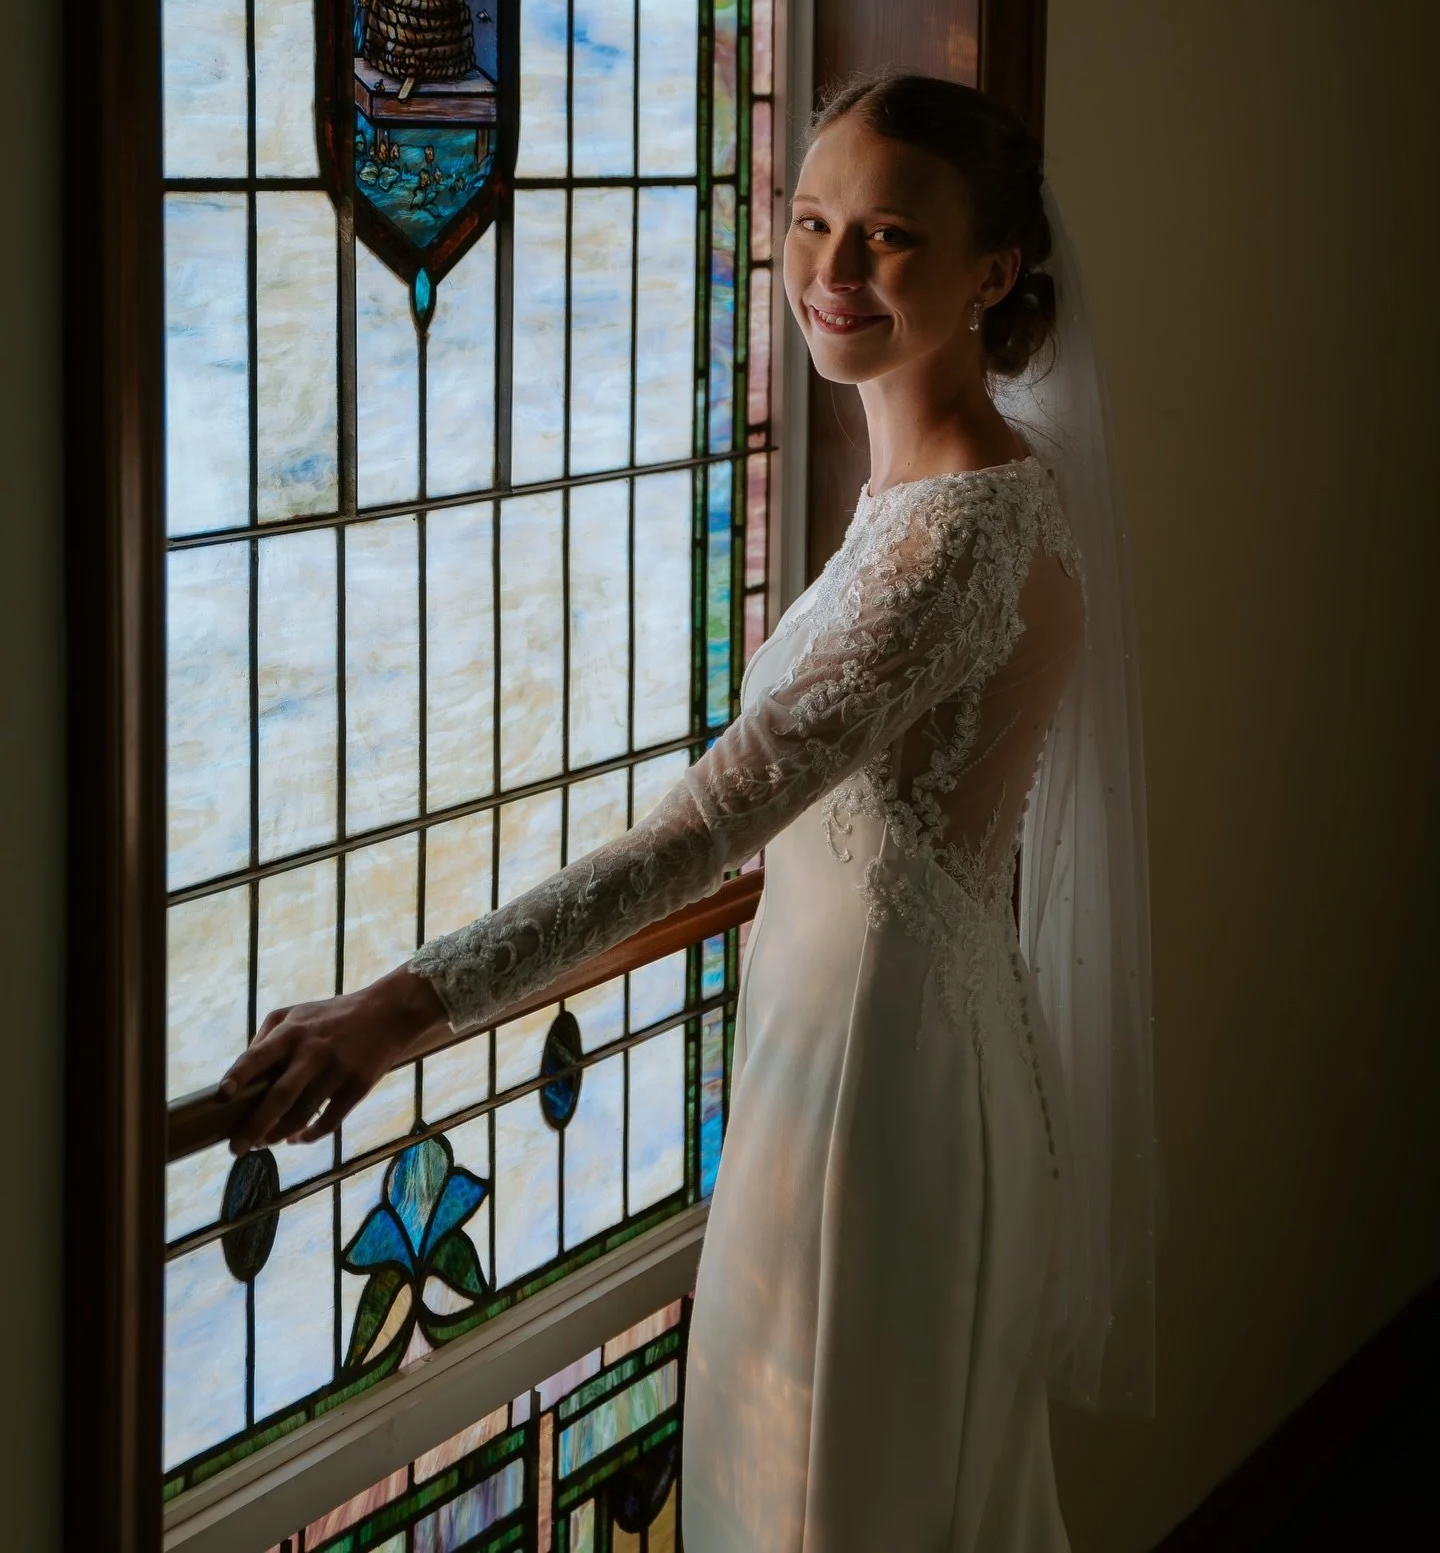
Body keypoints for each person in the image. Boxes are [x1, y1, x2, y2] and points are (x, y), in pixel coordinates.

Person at [223, 74, 1124, 1550]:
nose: (830, 271)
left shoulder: (953, 534)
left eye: (888, 237)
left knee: (829, 1491)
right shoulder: (956, 481)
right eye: (811, 217)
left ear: (992, 273)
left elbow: (698, 832)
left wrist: (395, 1009)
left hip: (873, 1082)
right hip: (893, 1029)